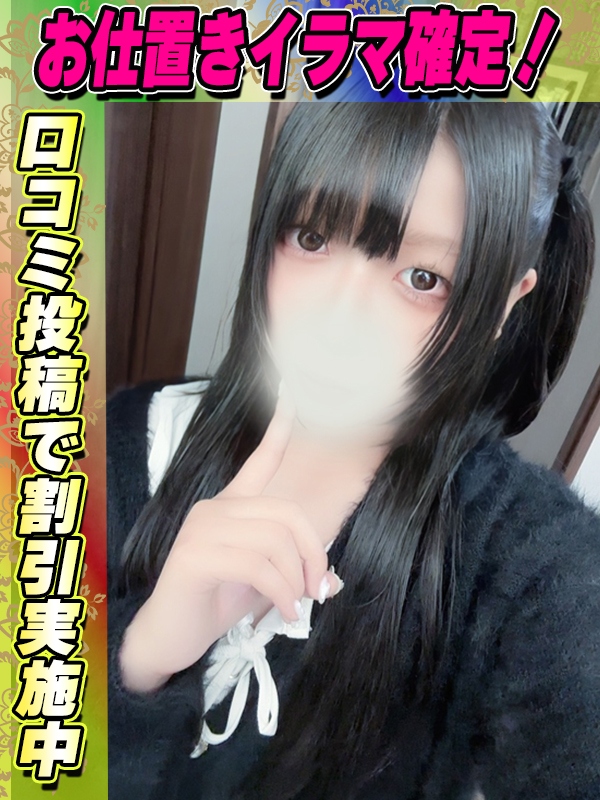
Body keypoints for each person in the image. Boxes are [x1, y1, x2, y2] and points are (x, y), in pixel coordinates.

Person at [108, 102, 600, 800]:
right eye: (312, 238)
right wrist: (140, 658)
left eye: (423, 278)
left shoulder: (524, 559)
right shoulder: (131, 437)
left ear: (502, 305)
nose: (336, 321)